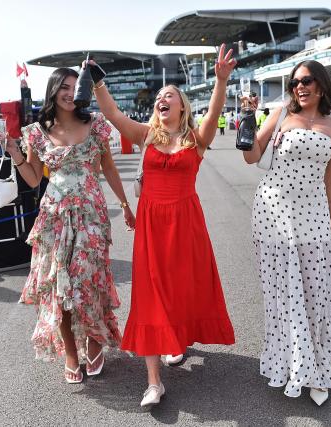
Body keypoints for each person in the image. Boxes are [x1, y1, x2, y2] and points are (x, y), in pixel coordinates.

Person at [91, 44, 236, 409]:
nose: (162, 98)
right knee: (150, 297)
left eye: (169, 95)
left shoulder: (195, 140)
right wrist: (98, 82)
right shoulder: (145, 135)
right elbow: (111, 114)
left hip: (186, 225)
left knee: (182, 290)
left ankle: (177, 340)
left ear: (182, 106)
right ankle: (154, 383)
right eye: (159, 96)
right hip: (153, 226)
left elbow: (216, 112)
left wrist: (220, 82)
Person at [4, 67, 133, 385]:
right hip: (54, 218)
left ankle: (94, 342)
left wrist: (126, 205)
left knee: (88, 283)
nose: (71, 92)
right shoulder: (35, 131)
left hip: (91, 215)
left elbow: (109, 168)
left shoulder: (96, 124)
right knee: (61, 291)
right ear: (53, 91)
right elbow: (35, 178)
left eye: (76, 87)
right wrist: (15, 155)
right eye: (64, 86)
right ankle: (73, 354)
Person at [241, 60, 331, 406]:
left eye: (307, 80)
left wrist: (330, 224)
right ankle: (287, 364)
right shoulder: (282, 115)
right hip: (273, 214)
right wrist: (248, 118)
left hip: (314, 217)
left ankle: (316, 368)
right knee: (281, 296)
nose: (300, 86)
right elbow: (252, 155)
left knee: (318, 296)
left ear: (322, 84)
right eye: (295, 81)